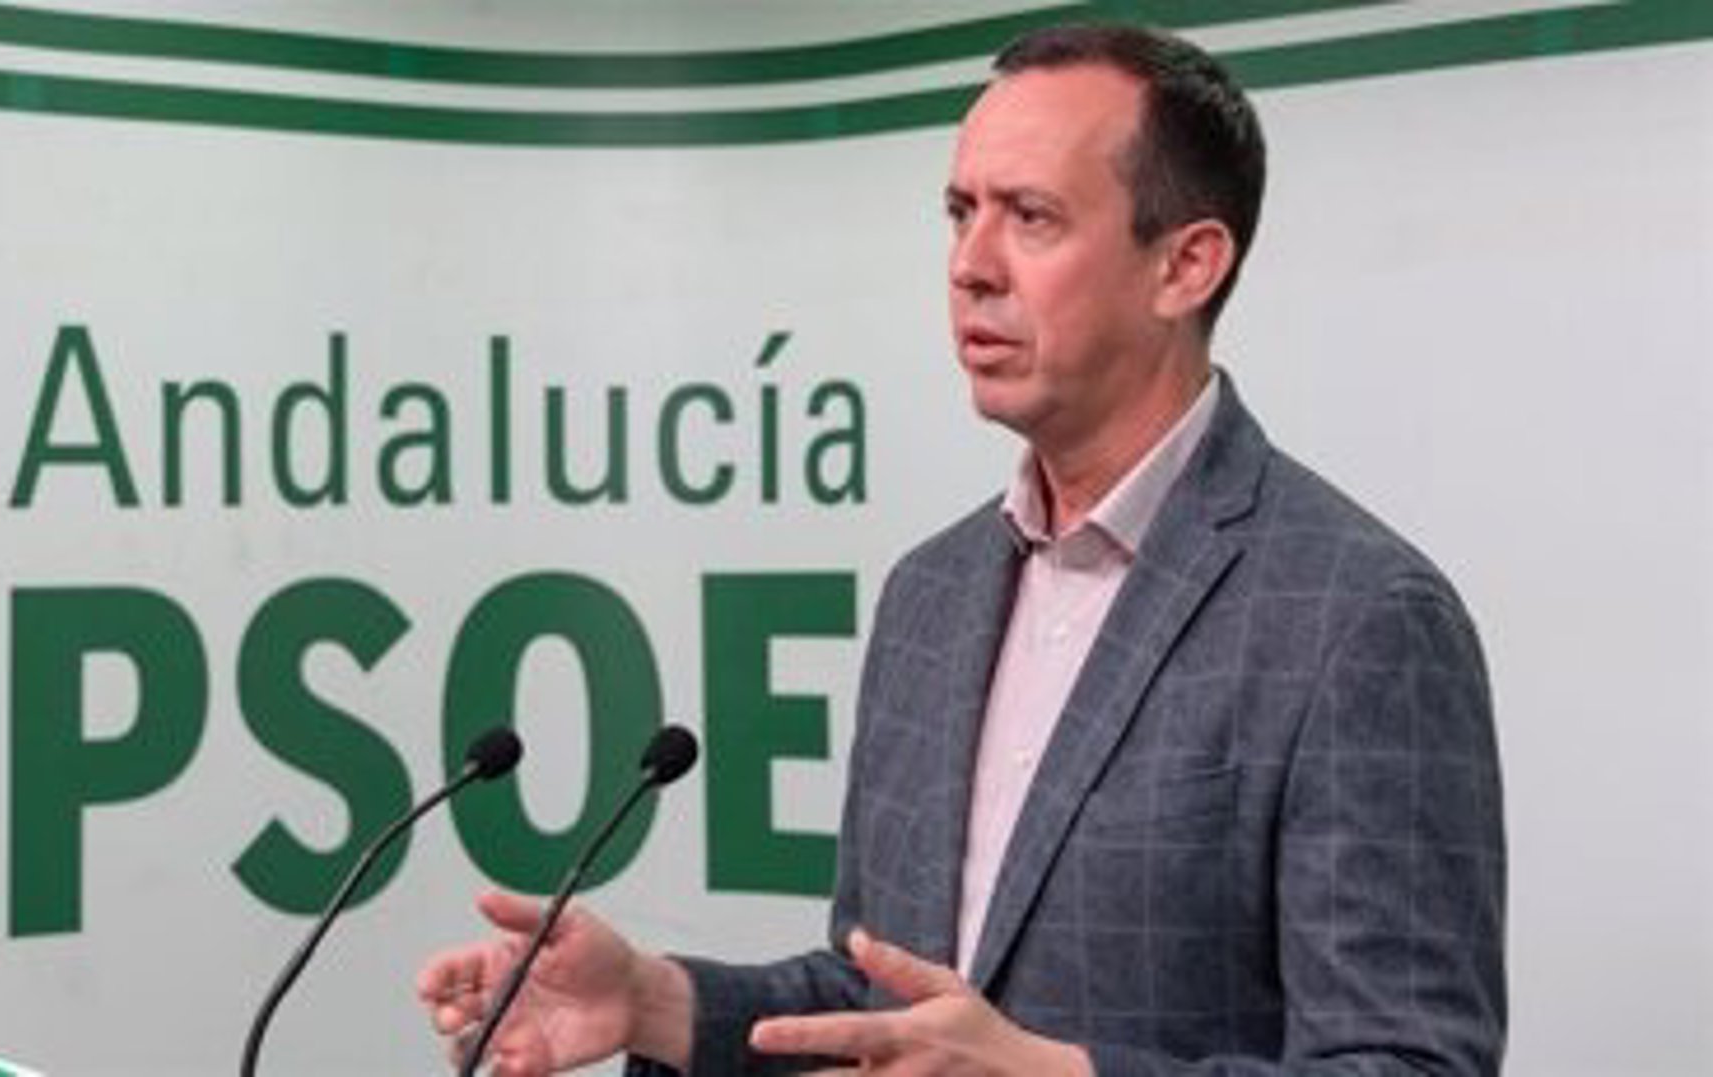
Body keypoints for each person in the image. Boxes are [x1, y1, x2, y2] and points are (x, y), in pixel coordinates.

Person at [418, 22, 1506, 1076]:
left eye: (1031, 217)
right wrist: (655, 1003)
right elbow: (883, 1001)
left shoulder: (1358, 616)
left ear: (1186, 266)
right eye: (959, 212)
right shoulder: (930, 596)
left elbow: (1409, 1060)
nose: (971, 266)